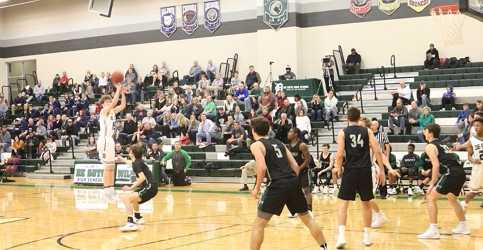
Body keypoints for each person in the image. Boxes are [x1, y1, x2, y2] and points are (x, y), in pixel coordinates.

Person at [248, 117, 328, 250]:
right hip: (292, 181)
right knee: (307, 218)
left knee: (258, 224)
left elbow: (261, 168)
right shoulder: (280, 143)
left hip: (277, 184)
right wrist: (291, 182)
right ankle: (324, 247)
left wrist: (256, 189)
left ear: (253, 130)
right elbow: (296, 167)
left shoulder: (256, 145)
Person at [333, 107, 385, 248]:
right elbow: (377, 151)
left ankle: (342, 236)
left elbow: (339, 154)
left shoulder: (343, 132)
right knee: (366, 204)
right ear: (359, 117)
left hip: (350, 170)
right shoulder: (367, 131)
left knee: (343, 204)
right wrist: (382, 170)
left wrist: (337, 168)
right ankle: (367, 237)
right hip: (365, 170)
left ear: (347, 118)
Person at [418, 124, 469, 239]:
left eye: (425, 131)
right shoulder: (443, 144)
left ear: (430, 133)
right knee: (452, 199)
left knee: (430, 197)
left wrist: (432, 184)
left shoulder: (430, 146)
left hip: (451, 173)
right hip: (460, 172)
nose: (423, 133)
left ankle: (433, 230)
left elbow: (436, 165)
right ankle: (463, 226)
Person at [119, 143, 158, 232]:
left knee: (126, 198)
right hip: (151, 187)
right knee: (133, 198)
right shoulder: (137, 161)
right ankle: (138, 217)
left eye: (130, 150)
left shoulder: (137, 163)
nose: (128, 151)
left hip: (150, 187)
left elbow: (142, 178)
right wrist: (121, 158)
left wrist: (130, 188)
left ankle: (130, 223)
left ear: (132, 153)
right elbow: (130, 163)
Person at [98, 81, 126, 201]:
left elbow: (123, 105)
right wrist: (118, 90)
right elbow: (115, 102)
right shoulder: (103, 112)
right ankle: (105, 191)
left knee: (111, 166)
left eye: (110, 101)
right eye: (107, 102)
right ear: (103, 104)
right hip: (104, 140)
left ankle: (110, 190)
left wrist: (123, 93)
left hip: (111, 140)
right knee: (106, 166)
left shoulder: (113, 112)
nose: (110, 103)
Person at [287, 128, 313, 215]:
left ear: (296, 134)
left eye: (290, 132)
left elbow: (308, 159)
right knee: (293, 191)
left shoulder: (302, 145)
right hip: (293, 172)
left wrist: (299, 168)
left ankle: (309, 209)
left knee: (306, 190)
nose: (288, 133)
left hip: (303, 171)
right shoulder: (289, 145)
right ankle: (295, 209)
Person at [460, 117, 483, 210]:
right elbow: (469, 156)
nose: (476, 128)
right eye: (474, 126)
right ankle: (464, 203)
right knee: (474, 191)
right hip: (479, 168)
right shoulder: (472, 140)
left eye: (478, 125)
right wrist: (473, 160)